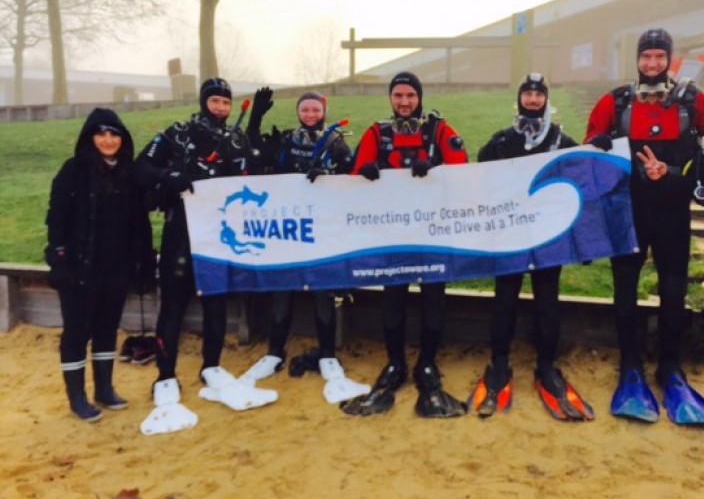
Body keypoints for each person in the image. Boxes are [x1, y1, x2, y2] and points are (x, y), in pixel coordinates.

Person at [584, 28, 704, 425]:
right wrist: (599, 144)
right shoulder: (618, 100)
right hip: (628, 211)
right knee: (625, 289)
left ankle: (670, 366)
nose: (652, 64)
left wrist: (677, 173)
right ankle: (630, 363)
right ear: (637, 60)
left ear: (669, 60)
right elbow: (590, 142)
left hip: (673, 210)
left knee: (673, 288)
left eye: (660, 57)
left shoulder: (692, 100)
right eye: (646, 57)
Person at [134, 78, 277, 435]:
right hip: (179, 231)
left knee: (215, 300)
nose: (220, 108)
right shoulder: (178, 134)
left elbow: (256, 172)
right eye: (214, 101)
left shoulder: (234, 138)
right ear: (203, 102)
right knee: (173, 304)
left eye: (225, 104)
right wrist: (171, 175)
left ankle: (210, 366)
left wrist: (256, 126)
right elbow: (140, 168)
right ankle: (165, 376)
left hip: (219, 235)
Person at [341, 71, 468, 418]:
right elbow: (354, 177)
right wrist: (366, 173)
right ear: (390, 99)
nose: (404, 102)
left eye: (410, 95)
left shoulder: (438, 130)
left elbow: (462, 170)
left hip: (432, 234)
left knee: (433, 299)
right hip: (392, 235)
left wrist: (438, 169)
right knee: (393, 299)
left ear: (419, 97)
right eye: (398, 95)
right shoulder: (376, 133)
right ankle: (395, 361)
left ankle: (427, 362)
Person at [469, 73, 594, 421]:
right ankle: (500, 362)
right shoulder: (501, 142)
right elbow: (482, 174)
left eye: (539, 95)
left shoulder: (561, 140)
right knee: (505, 295)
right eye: (528, 94)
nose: (534, 100)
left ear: (546, 100)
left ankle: (546, 364)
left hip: (547, 236)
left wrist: (596, 148)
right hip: (511, 235)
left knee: (547, 298)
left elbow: (581, 177)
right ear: (519, 99)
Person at [237, 91, 371, 403]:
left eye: (315, 109)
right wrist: (255, 119)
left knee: (321, 286)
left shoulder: (336, 142)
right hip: (288, 228)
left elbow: (352, 177)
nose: (310, 113)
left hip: (322, 229)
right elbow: (255, 151)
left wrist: (329, 177)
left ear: (324, 110)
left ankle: (326, 352)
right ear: (298, 112)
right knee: (283, 285)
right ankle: (274, 352)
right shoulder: (286, 139)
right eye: (305, 109)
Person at [45, 108, 156, 422]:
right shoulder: (74, 171)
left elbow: (140, 224)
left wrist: (144, 263)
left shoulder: (129, 175)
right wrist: (59, 258)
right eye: (101, 134)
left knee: (107, 329)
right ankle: (77, 396)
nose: (108, 140)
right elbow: (57, 218)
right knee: (77, 332)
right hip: (80, 268)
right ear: (90, 137)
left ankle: (104, 388)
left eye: (114, 134)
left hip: (116, 267)